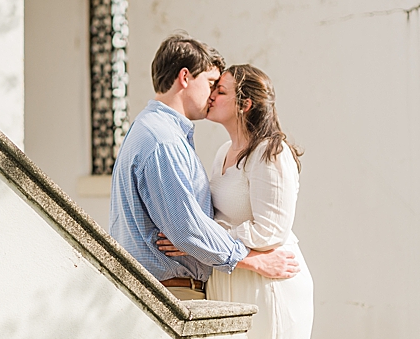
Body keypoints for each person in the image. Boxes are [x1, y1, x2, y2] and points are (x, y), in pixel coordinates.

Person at [108, 34, 298, 303]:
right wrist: (253, 261)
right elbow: (187, 230)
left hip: (169, 290)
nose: (212, 95)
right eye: (211, 84)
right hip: (170, 293)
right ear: (185, 78)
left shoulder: (152, 130)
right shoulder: (164, 141)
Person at [161, 65, 314, 339]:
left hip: (268, 287)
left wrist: (200, 241)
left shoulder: (271, 153)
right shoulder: (221, 154)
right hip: (230, 276)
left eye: (222, 91)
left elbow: (270, 230)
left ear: (245, 105)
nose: (212, 95)